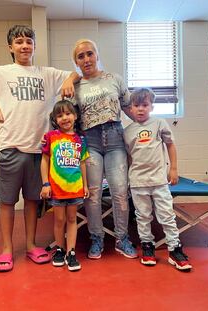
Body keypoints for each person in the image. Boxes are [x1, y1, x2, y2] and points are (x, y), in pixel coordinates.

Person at [0, 25, 80, 272]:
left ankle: (30, 245)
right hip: (10, 146)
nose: (24, 46)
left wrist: (70, 81)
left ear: (35, 46)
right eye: (19, 42)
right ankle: (7, 250)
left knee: (32, 200)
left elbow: (75, 74)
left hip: (38, 150)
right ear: (10, 47)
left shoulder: (46, 73)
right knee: (8, 202)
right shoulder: (0, 72)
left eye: (29, 41)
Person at [72, 39, 137, 259]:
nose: (86, 59)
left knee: (120, 191)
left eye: (90, 54)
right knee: (92, 194)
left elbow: (130, 108)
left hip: (115, 138)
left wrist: (148, 128)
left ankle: (122, 238)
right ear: (76, 62)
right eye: (81, 56)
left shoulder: (114, 79)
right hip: (90, 141)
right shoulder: (75, 85)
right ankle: (96, 239)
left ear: (97, 55)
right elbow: (68, 118)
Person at [123, 87, 192, 271]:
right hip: (138, 182)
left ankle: (175, 249)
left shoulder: (160, 123)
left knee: (166, 215)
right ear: (130, 108)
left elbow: (170, 145)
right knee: (143, 216)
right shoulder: (127, 131)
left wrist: (174, 169)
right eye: (136, 105)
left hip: (159, 181)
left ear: (151, 106)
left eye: (145, 105)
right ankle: (147, 246)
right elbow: (130, 157)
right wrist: (129, 179)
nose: (140, 109)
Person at [40, 100, 89, 271]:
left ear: (75, 116)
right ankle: (60, 250)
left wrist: (86, 185)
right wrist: (45, 183)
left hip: (75, 188)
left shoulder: (81, 140)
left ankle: (71, 252)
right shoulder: (51, 137)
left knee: (71, 219)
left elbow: (82, 163)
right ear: (55, 119)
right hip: (56, 189)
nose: (64, 118)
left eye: (68, 114)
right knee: (59, 220)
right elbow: (44, 161)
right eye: (59, 115)